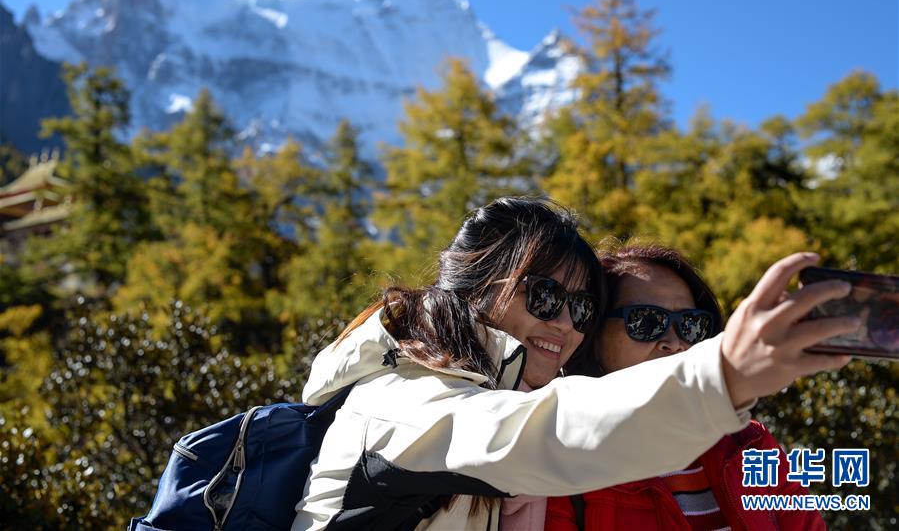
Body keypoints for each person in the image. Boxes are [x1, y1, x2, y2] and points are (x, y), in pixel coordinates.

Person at [293, 196, 855, 530]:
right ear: (475, 288)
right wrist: (723, 373)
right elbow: (543, 434)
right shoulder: (402, 401)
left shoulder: (750, 448)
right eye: (544, 296)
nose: (565, 323)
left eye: (582, 307)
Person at [545, 244, 826, 530]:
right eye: (646, 321)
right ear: (594, 336)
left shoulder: (750, 444)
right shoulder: (561, 463)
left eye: (690, 325)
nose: (675, 342)